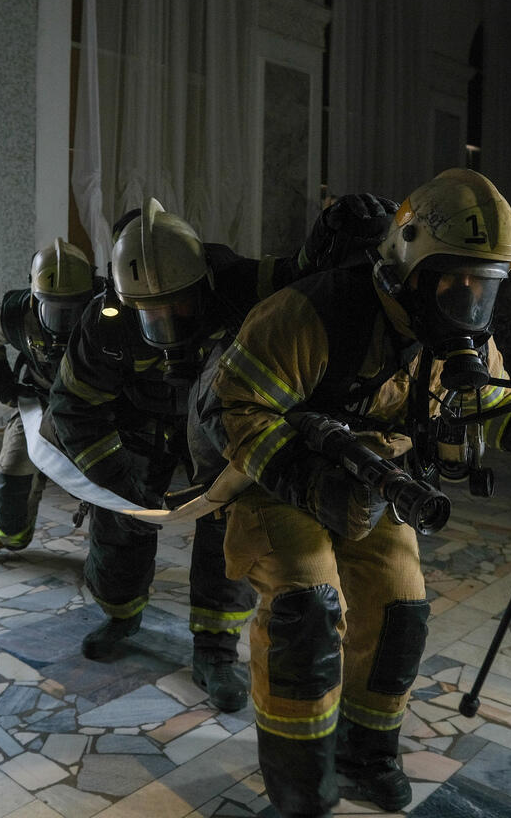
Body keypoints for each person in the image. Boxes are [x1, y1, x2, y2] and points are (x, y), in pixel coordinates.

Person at [201, 168, 511, 817]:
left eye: (483, 288)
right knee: (306, 606)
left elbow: (486, 402)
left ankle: (367, 753)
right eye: (454, 283)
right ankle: (298, 773)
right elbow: (234, 410)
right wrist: (312, 481)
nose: (467, 305)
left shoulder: (454, 335)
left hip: (375, 482)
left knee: (401, 607)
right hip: (276, 479)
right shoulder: (309, 314)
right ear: (410, 272)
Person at [48, 194, 393, 714]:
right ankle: (121, 615)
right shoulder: (104, 322)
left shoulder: (230, 278)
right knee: (119, 519)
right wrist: (115, 477)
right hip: (139, 427)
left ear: (202, 280)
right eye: (151, 312)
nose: (167, 321)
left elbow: (295, 277)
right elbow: (73, 405)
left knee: (229, 526)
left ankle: (214, 650)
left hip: (217, 423)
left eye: (180, 306)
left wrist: (327, 236)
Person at [0, 238, 98, 563]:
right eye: (53, 310)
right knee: (12, 472)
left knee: (107, 479)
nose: (63, 321)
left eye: (72, 310)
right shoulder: (13, 312)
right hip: (39, 401)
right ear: (35, 297)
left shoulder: (107, 312)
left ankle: (109, 560)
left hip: (95, 408)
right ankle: (10, 535)